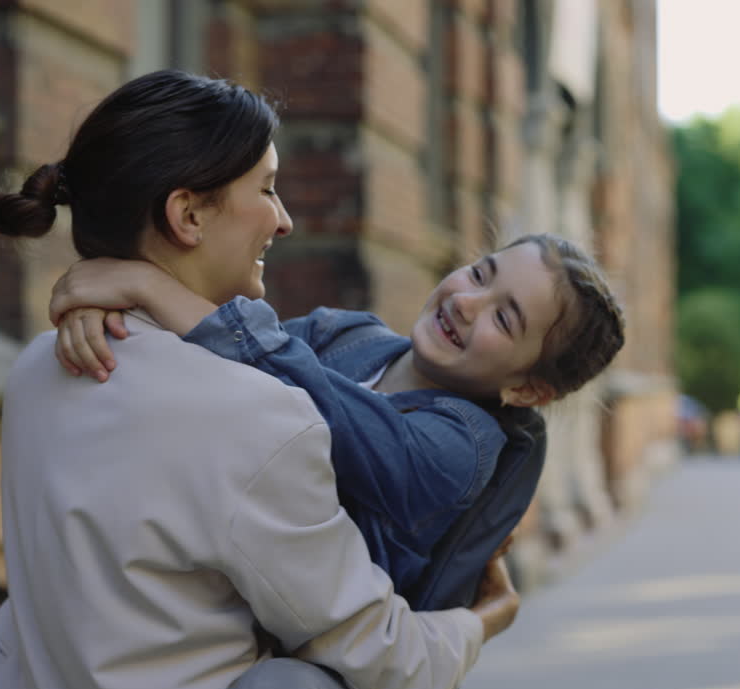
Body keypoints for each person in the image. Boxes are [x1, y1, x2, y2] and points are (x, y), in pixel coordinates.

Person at [0, 69, 520, 689]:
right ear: (189, 215)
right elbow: (380, 658)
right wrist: (482, 621)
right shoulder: (257, 419)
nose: (283, 221)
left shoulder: (37, 368)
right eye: (267, 189)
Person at [48, 233, 627, 605]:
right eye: (480, 274)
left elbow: (313, 404)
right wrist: (120, 313)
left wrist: (147, 284)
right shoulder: (345, 333)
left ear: (526, 388)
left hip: (313, 645)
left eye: (506, 319)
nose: (467, 302)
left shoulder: (464, 447)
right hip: (202, 572)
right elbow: (209, 361)